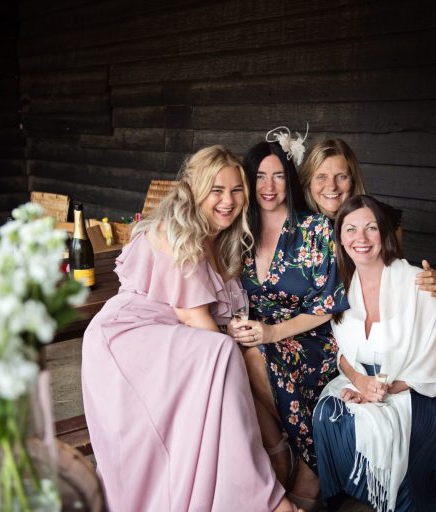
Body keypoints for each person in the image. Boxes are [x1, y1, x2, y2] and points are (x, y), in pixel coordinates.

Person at [80, 145, 301, 511]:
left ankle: (249, 488)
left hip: (171, 341)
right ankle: (268, 499)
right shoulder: (174, 230)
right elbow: (194, 320)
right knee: (220, 355)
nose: (228, 201)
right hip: (128, 338)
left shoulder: (221, 241)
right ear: (195, 190)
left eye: (236, 190)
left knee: (229, 357)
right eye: (217, 190)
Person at [312, 195, 436, 512]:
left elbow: (429, 363)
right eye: (350, 229)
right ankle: (351, 496)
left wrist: (385, 388)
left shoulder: (416, 283)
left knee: (374, 424)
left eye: (371, 228)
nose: (360, 239)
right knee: (329, 413)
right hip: (361, 380)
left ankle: (390, 498)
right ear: (340, 237)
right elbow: (343, 356)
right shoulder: (341, 284)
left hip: (412, 390)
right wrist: (361, 383)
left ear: (385, 233)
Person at [230, 132, 349, 511]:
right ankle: (276, 457)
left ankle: (305, 465)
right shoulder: (239, 233)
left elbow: (328, 305)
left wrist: (271, 332)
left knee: (251, 357)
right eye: (260, 177)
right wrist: (239, 327)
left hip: (311, 336)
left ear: (290, 180)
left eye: (278, 176)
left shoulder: (314, 230)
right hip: (260, 338)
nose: (269, 186)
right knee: (225, 356)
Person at [298, 138, 436, 296]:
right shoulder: (295, 226)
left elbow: (398, 280)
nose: (332, 185)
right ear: (308, 180)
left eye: (341, 176)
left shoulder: (384, 220)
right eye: (321, 177)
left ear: (352, 180)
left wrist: (427, 282)